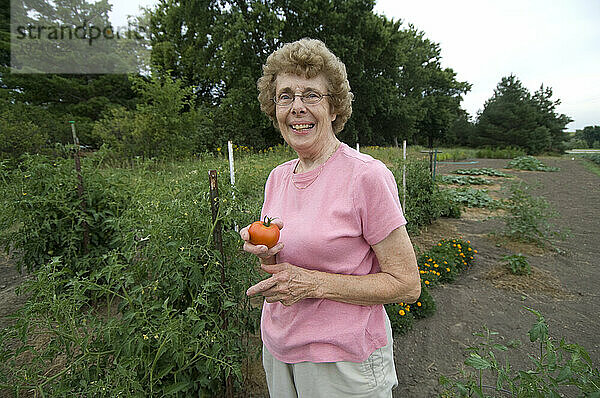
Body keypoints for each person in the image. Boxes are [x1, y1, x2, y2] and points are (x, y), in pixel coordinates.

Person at [240, 38, 421, 398]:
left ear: (335, 108)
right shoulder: (277, 177)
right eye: (285, 96)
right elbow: (286, 265)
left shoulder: (365, 176)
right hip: (280, 348)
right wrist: (268, 253)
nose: (297, 108)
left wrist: (313, 284)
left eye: (311, 95)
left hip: (342, 361)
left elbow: (407, 285)